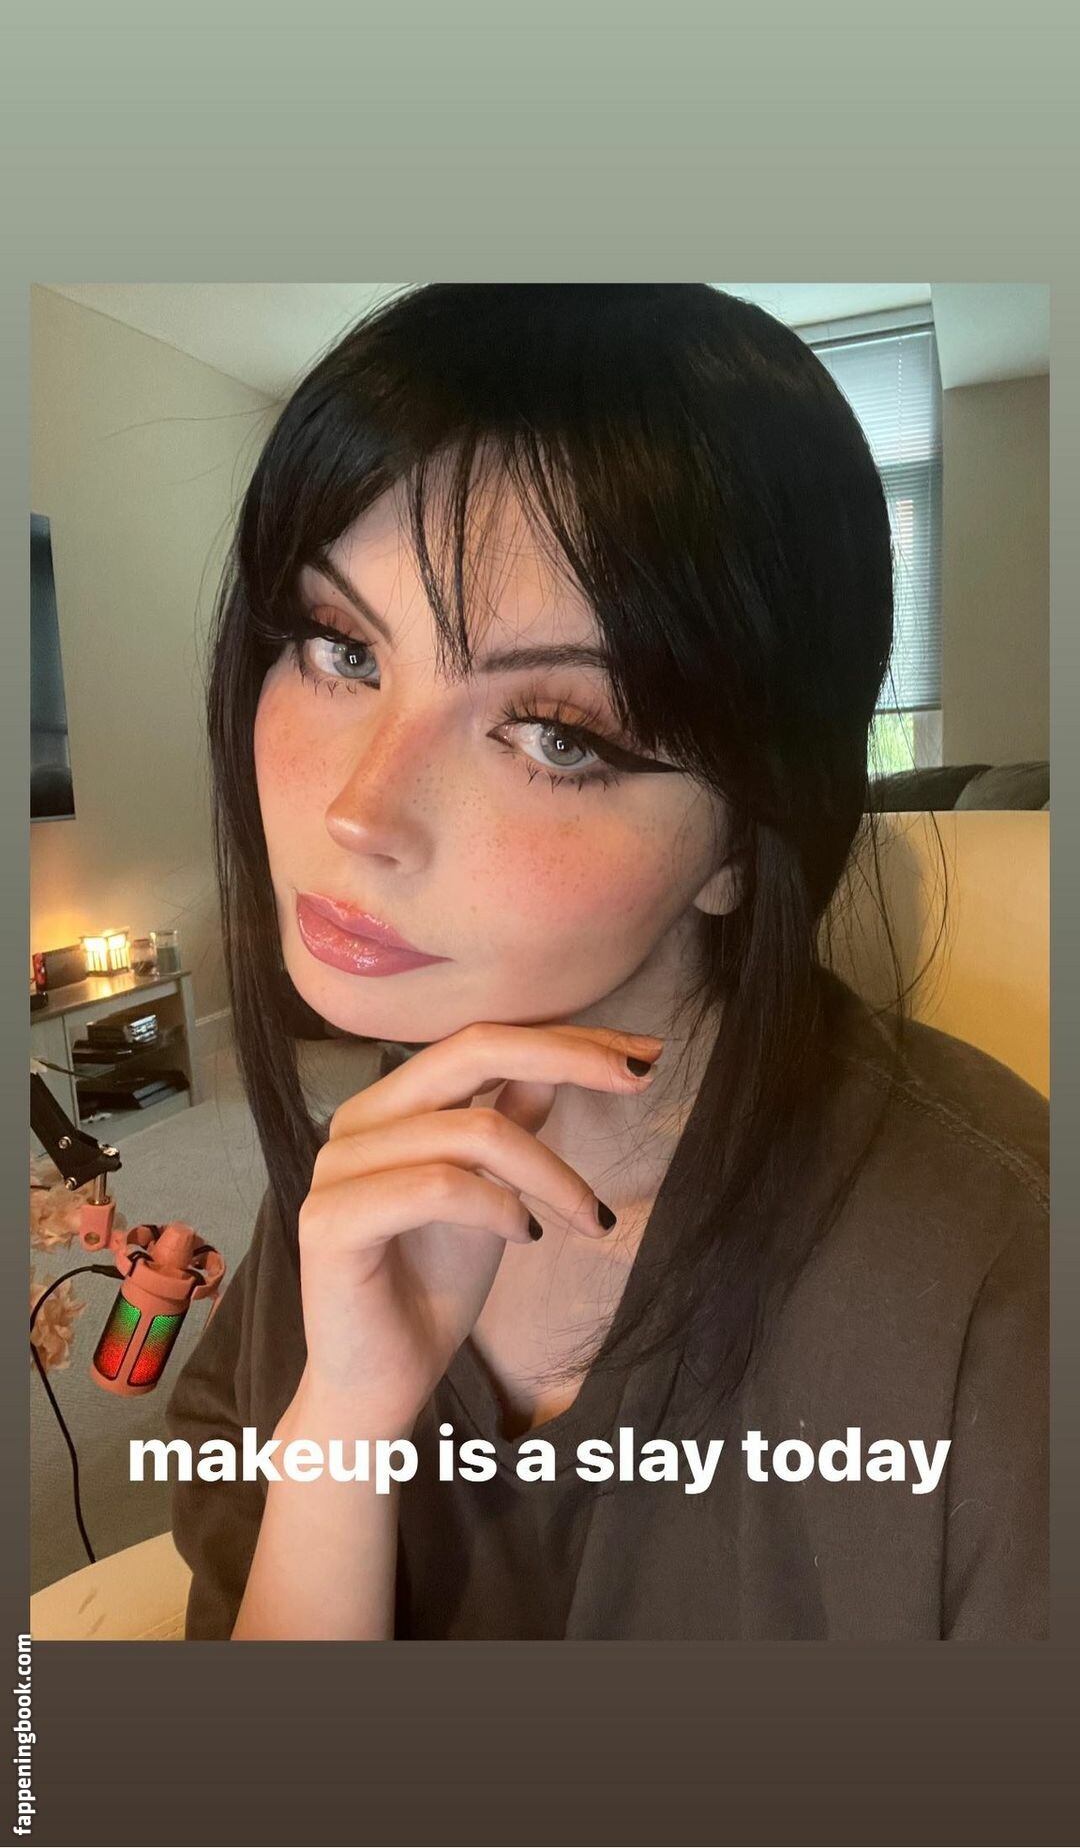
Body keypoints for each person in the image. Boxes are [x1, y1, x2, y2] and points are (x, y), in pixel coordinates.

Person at [165, 283, 1048, 1640]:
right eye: (342, 649)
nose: (358, 811)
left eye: (556, 734)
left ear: (743, 839)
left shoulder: (1001, 1288)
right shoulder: (362, 1181)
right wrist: (341, 1427)